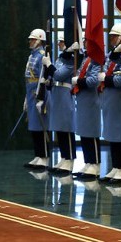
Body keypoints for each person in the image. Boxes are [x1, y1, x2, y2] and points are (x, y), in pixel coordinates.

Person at [98, 23, 121, 185]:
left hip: (120, 98)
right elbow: (105, 69)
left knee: (120, 133)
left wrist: (106, 79)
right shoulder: (112, 55)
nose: (111, 39)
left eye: (114, 36)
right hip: (109, 97)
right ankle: (116, 166)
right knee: (111, 132)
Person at [43, 36, 78, 174]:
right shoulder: (60, 59)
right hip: (57, 94)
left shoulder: (70, 61)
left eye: (61, 42)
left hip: (65, 94)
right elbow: (53, 77)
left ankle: (69, 159)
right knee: (59, 128)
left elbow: (58, 74)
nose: (59, 44)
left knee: (66, 128)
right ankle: (64, 157)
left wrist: (49, 65)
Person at [71, 41, 102, 179]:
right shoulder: (85, 59)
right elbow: (79, 74)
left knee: (91, 132)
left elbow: (93, 81)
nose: (85, 44)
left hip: (91, 100)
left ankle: (95, 164)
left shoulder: (95, 61)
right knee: (83, 131)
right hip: (83, 100)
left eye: (87, 42)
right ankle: (88, 162)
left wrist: (79, 81)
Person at [23, 29, 49, 169]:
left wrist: (41, 97)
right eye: (30, 39)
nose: (31, 41)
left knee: (40, 126)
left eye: (33, 39)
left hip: (38, 94)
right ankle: (38, 155)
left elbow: (43, 78)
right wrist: (26, 99)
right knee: (33, 126)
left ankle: (44, 156)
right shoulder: (31, 56)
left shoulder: (42, 56)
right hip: (30, 92)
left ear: (40, 40)